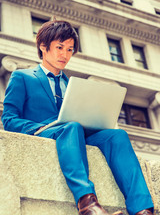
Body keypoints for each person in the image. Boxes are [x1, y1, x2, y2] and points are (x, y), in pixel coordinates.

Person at [1, 19, 154, 215]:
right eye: (59, 47)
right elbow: (9, 119)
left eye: (70, 49)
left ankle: (143, 209)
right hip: (46, 133)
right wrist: (46, 126)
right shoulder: (23, 77)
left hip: (77, 134)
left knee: (118, 135)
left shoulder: (72, 84)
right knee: (71, 126)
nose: (64, 54)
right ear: (43, 47)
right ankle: (87, 204)